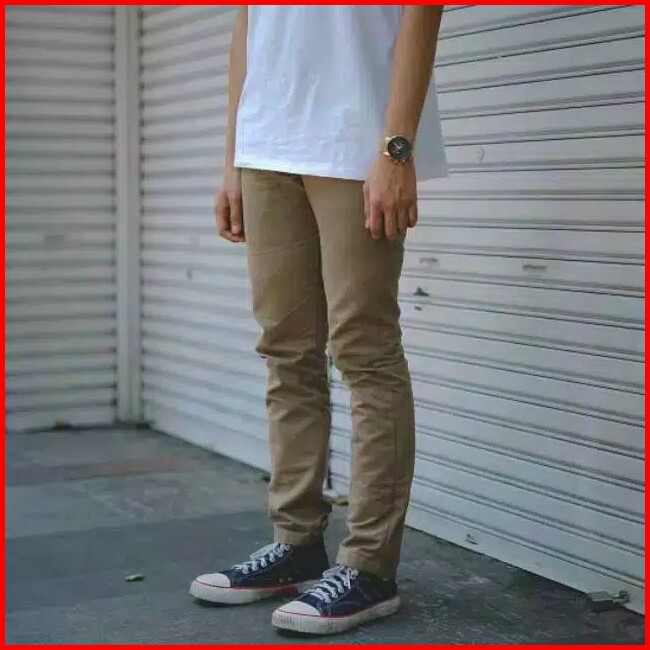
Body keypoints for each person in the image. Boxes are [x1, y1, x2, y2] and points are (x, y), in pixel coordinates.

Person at [190, 5, 448, 635]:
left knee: (365, 351)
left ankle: (370, 567)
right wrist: (233, 160)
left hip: (356, 135)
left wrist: (396, 149)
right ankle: (297, 542)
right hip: (266, 143)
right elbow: (249, 27)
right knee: (285, 349)